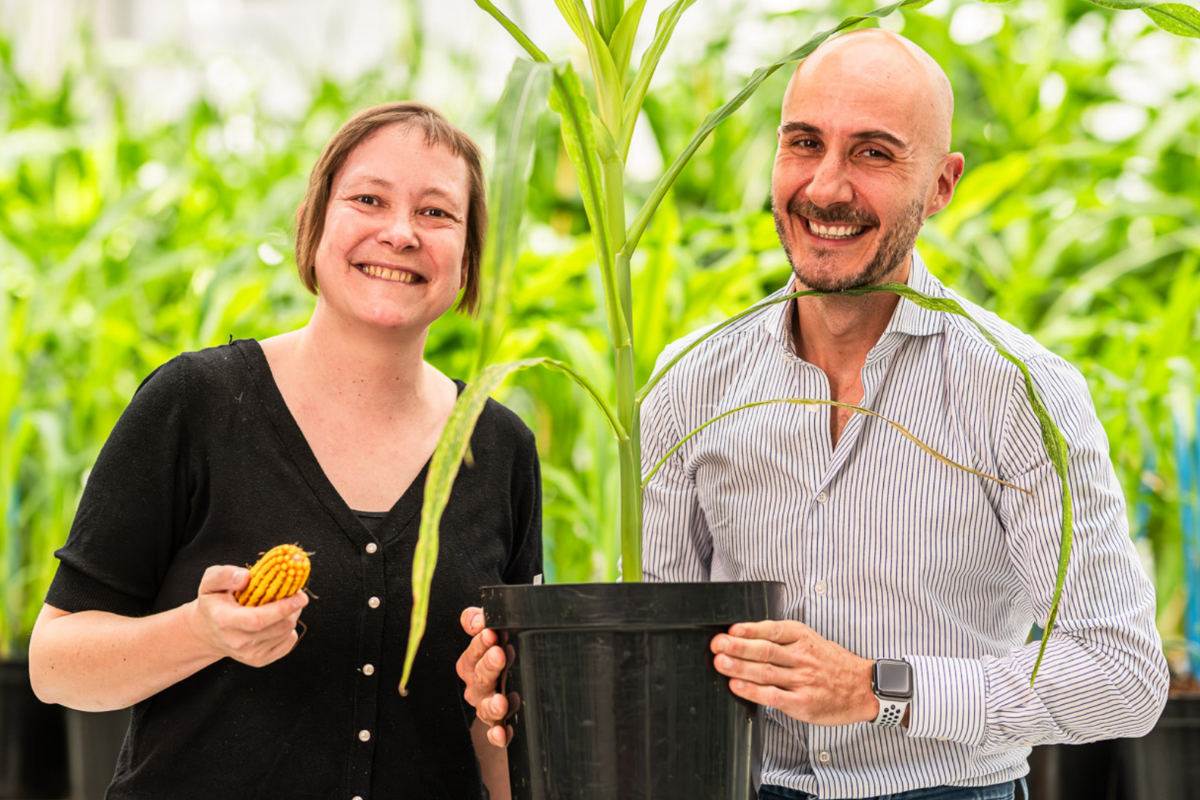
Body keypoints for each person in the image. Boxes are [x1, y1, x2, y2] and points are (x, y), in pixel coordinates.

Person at [457, 30, 1168, 800]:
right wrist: (530, 677)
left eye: (873, 153)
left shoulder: (1019, 390)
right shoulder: (692, 381)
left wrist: (880, 687)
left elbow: (1121, 672)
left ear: (941, 185)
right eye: (805, 143)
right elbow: (655, 654)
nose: (826, 187)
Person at [29, 102, 540, 800]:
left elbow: (505, 759)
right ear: (316, 223)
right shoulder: (196, 403)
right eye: (368, 199)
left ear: (469, 256)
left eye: (436, 214)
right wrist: (202, 632)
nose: (399, 233)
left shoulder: (499, 446)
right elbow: (54, 666)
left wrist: (497, 707)